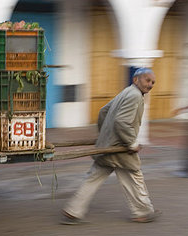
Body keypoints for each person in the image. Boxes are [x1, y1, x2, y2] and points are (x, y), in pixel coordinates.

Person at [61, 68, 161, 225]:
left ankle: (73, 210)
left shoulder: (127, 92)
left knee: (94, 177)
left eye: (153, 82)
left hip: (110, 146)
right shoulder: (135, 96)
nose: (150, 85)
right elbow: (121, 122)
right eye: (147, 80)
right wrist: (131, 143)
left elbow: (103, 112)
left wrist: (104, 136)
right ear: (136, 80)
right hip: (121, 147)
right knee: (134, 176)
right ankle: (143, 212)